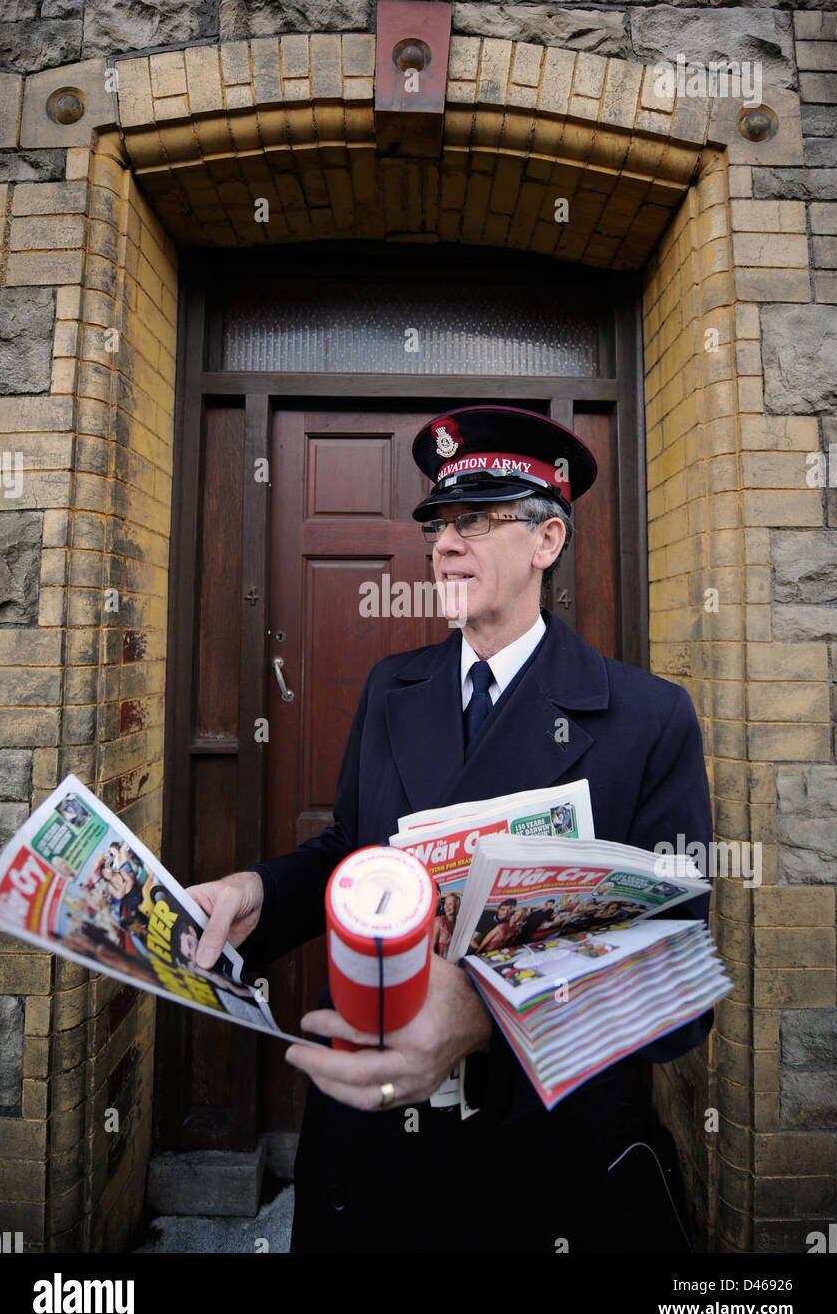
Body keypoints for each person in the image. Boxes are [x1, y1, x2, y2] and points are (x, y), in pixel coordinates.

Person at [189, 404, 714, 1255]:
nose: (444, 544)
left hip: (538, 1169)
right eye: (438, 522)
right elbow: (355, 854)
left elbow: (675, 983)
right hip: (368, 1159)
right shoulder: (394, 686)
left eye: (476, 521)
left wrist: (481, 1014)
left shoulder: (647, 720)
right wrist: (262, 894)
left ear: (547, 542)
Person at [433, 892, 461, 958]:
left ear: (457, 906)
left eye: (450, 904)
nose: (446, 906)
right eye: (445, 903)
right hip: (441, 963)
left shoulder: (460, 923)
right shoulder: (438, 921)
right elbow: (431, 949)